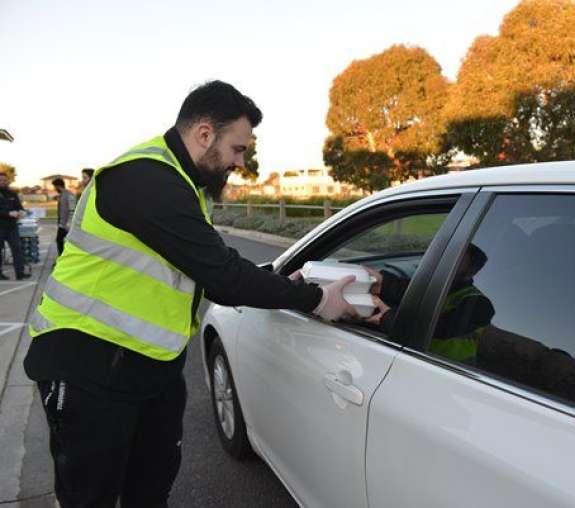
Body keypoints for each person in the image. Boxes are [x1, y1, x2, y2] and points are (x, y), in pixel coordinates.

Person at [23, 80, 357, 508]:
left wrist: (278, 283)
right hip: (87, 364)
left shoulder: (183, 184)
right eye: (237, 149)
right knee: (92, 496)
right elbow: (221, 275)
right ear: (204, 134)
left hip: (149, 365)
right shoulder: (144, 179)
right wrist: (315, 299)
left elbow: (208, 260)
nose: (240, 161)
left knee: (151, 488)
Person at [366, 243, 494, 364]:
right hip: (420, 358)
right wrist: (383, 283)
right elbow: (411, 292)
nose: (445, 262)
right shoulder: (439, 286)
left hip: (451, 370)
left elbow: (435, 328)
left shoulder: (480, 305)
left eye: (457, 260)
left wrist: (386, 317)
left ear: (471, 271)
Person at [0, 171, 29, 280]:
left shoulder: (12, 194)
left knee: (17, 249)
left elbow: (19, 206)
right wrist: (7, 213)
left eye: (4, 180)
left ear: (8, 181)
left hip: (12, 227)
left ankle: (20, 272)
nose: (2, 182)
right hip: (0, 227)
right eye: (0, 180)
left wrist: (22, 212)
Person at [52, 177, 76, 255]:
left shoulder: (69, 195)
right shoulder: (61, 195)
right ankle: (62, 258)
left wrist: (69, 223)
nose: (54, 189)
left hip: (67, 225)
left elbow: (72, 209)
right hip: (62, 224)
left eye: (55, 187)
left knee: (62, 241)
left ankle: (63, 258)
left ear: (58, 186)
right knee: (60, 241)